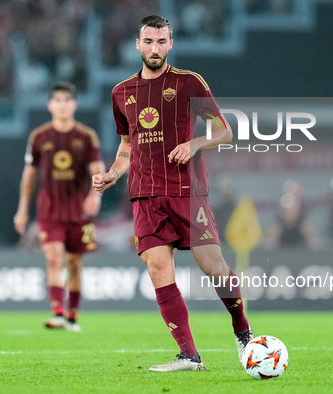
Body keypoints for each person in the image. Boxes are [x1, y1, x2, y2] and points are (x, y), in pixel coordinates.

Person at [92, 15, 252, 372]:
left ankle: (243, 332)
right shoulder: (121, 92)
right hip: (145, 196)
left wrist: (195, 143)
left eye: (161, 41)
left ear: (170, 44)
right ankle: (189, 355)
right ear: (137, 44)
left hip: (187, 192)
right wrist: (114, 174)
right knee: (158, 269)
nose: (154, 48)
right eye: (148, 41)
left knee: (214, 268)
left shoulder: (189, 83)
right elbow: (126, 146)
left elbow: (223, 132)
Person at [14, 82, 105, 332]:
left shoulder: (86, 137)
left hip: (79, 212)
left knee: (74, 263)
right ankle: (57, 313)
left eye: (67, 100)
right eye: (58, 100)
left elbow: (97, 170)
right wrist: (22, 208)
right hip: (50, 212)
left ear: (74, 105)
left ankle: (72, 316)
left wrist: (95, 196)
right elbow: (29, 175)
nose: (63, 105)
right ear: (50, 105)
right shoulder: (39, 137)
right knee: (54, 258)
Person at [265, 180, 321, 251]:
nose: (289, 214)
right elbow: (268, 250)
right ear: (281, 211)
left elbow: (316, 249)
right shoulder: (275, 228)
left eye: (292, 211)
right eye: (286, 211)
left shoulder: (306, 227)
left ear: (297, 210)